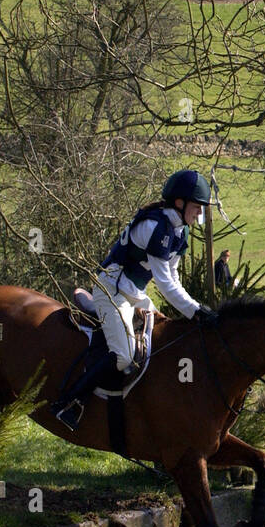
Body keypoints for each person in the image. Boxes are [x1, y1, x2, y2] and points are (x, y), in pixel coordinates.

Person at [52, 169, 216, 430]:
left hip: (134, 294)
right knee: (125, 357)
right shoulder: (155, 227)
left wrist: (195, 308)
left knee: (159, 339)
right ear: (179, 202)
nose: (200, 214)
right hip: (111, 292)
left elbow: (173, 277)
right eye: (197, 207)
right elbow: (163, 282)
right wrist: (195, 311)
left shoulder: (179, 231)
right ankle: (70, 402)